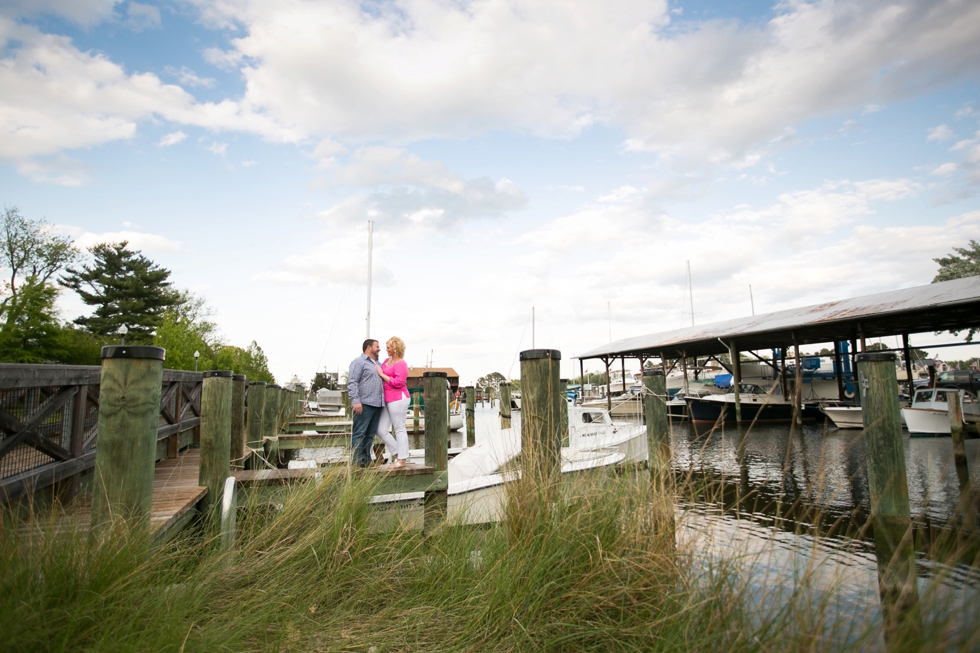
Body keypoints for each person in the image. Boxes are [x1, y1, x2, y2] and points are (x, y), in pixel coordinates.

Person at [347, 338, 384, 467]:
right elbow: (352, 382)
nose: (379, 349)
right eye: (377, 346)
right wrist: (356, 400)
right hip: (364, 403)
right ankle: (357, 463)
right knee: (359, 433)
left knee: (370, 435)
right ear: (368, 348)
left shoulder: (378, 364)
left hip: (378, 404)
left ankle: (366, 461)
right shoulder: (359, 362)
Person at [374, 336, 410, 468]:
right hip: (387, 399)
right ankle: (398, 453)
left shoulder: (401, 363)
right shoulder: (385, 361)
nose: (386, 349)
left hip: (398, 398)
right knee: (381, 429)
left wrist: (382, 375)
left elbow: (399, 382)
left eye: (388, 347)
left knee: (399, 427)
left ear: (394, 348)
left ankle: (402, 459)